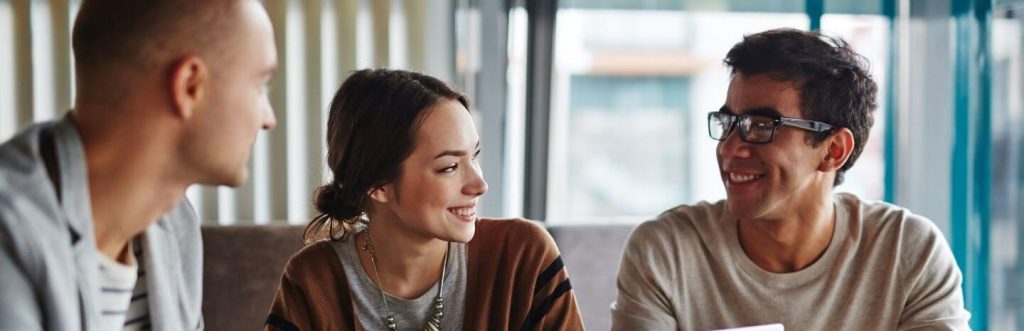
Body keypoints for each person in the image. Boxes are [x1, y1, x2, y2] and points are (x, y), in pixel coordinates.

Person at [611, 28, 970, 330]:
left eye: (761, 126)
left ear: (833, 151)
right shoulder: (666, 251)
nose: (730, 148)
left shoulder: (907, 252)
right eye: (728, 122)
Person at [0, 0, 278, 330]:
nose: (268, 119)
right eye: (259, 85)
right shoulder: (11, 234)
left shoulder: (174, 224)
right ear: (189, 86)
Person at [264, 68, 583, 330]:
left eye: (475, 156)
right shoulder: (313, 281)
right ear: (378, 185)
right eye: (449, 167)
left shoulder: (523, 259)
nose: (479, 184)